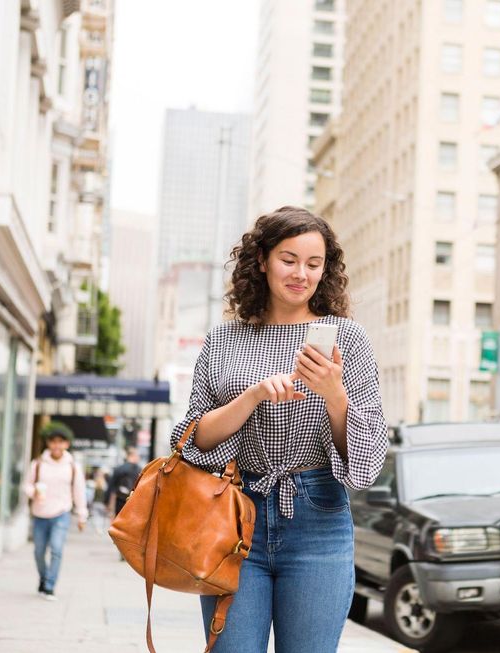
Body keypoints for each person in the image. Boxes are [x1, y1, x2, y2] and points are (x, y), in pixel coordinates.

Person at [171, 206, 387, 653]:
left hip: (318, 518)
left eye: (314, 264)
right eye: (289, 260)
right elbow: (192, 442)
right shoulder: (224, 340)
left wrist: (333, 393)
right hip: (232, 517)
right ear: (263, 260)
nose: (301, 275)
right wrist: (250, 398)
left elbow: (367, 460)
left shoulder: (348, 338)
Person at [24, 421, 88, 600]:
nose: (57, 446)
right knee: (38, 552)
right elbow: (27, 486)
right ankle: (44, 578)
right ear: (48, 444)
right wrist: (33, 491)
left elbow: (79, 493)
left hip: (61, 513)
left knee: (57, 550)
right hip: (39, 513)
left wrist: (82, 515)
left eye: (61, 442)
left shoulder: (73, 467)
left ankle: (50, 586)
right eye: (53, 442)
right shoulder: (37, 464)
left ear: (66, 444)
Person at [106, 447, 141, 518]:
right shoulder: (140, 471)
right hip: (134, 503)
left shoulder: (119, 469)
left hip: (119, 501)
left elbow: (111, 487)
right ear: (133, 456)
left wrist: (106, 502)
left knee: (118, 522)